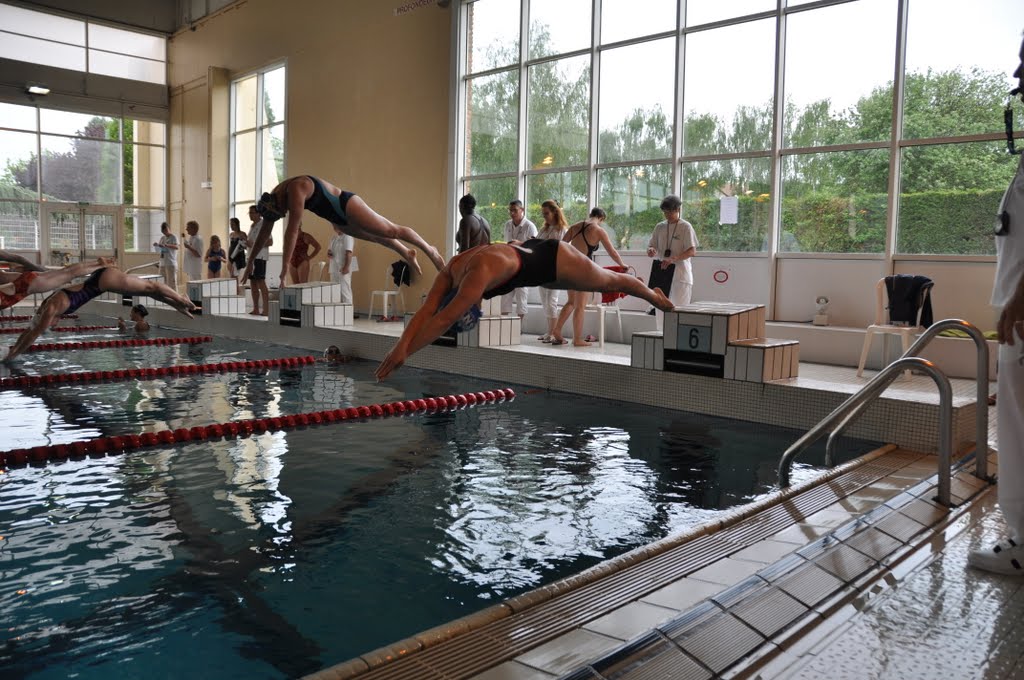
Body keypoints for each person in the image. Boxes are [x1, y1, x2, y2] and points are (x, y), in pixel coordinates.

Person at [374, 239, 673, 380]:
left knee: (608, 281)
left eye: (471, 305)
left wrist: (406, 354)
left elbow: (444, 318)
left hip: (556, 260)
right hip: (529, 257)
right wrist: (400, 346)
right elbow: (428, 310)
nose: (475, 304)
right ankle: (646, 291)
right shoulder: (450, 270)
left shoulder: (477, 275)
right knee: (603, 282)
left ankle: (652, 294)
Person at [968, 34, 1024, 576]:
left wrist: (1018, 300)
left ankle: (1023, 543)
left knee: (1018, 425)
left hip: (1023, 315)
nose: (1018, 78)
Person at [241, 175, 444, 287]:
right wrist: (250, 263)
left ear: (278, 203)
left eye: (282, 211)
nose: (284, 213)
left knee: (391, 231)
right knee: (376, 237)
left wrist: (284, 268)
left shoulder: (296, 188)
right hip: (338, 219)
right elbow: (263, 234)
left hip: (346, 205)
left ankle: (429, 249)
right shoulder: (274, 201)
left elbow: (292, 231)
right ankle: (406, 252)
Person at [5, 267, 195, 361]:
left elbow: (34, 333)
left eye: (50, 326)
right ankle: (178, 304)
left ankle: (182, 299)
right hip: (101, 281)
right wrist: (13, 349)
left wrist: (13, 355)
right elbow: (31, 330)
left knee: (151, 286)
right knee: (148, 292)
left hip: (104, 281)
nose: (53, 326)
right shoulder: (46, 308)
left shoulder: (51, 309)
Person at [551, 207, 628, 347]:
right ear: (601, 219)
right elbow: (612, 251)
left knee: (571, 302)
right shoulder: (598, 230)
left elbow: (561, 246)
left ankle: (556, 330)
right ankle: (577, 339)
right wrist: (622, 264)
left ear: (590, 214)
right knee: (580, 306)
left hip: (569, 268)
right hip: (583, 270)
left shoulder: (575, 227)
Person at [647, 194, 698, 330]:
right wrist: (651, 250)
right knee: (660, 310)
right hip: (662, 274)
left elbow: (692, 251)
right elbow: (651, 246)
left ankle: (677, 340)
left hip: (680, 276)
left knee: (678, 311)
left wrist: (673, 259)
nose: (667, 215)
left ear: (678, 209)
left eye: (670, 212)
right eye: (665, 212)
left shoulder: (685, 227)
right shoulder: (660, 227)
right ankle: (660, 337)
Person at [0, 257, 113, 310]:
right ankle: (98, 263)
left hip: (30, 285)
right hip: (27, 279)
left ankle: (100, 265)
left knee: (70, 274)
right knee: (67, 272)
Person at [536, 199, 568, 343]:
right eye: (543, 214)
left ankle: (553, 333)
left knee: (551, 302)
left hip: (555, 270)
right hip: (541, 270)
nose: (545, 217)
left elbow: (564, 250)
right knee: (545, 302)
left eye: (547, 213)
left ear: (555, 212)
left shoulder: (562, 230)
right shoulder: (544, 229)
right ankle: (549, 331)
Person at [500, 199, 538, 318]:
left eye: (515, 210)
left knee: (521, 298)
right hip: (508, 265)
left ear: (522, 210)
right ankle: (505, 326)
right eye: (510, 210)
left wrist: (520, 244)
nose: (512, 213)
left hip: (523, 266)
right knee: (505, 297)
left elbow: (535, 248)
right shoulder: (507, 225)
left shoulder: (530, 226)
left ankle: (519, 327)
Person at [246, 204, 272, 316]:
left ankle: (266, 309)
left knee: (261, 282)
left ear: (259, 213)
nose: (250, 215)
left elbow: (270, 242)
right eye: (249, 213)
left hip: (259, 257)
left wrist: (255, 245)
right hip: (251, 257)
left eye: (252, 213)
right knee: (253, 283)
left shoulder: (263, 225)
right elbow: (251, 243)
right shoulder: (252, 226)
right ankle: (256, 308)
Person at [328, 224, 356, 304]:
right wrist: (329, 253)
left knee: (345, 291)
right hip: (334, 268)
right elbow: (329, 251)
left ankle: (348, 310)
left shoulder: (347, 236)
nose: (334, 227)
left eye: (336, 225)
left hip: (343, 267)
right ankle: (338, 310)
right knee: (334, 291)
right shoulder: (334, 238)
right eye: (333, 225)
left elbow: (349, 253)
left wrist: (346, 267)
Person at [154, 222, 178, 290]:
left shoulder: (174, 237)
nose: (165, 232)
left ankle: (174, 295)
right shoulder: (162, 238)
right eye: (163, 231)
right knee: (161, 282)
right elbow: (159, 249)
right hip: (162, 263)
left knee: (171, 283)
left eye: (166, 230)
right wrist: (157, 245)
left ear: (169, 229)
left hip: (170, 263)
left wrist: (166, 245)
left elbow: (176, 247)